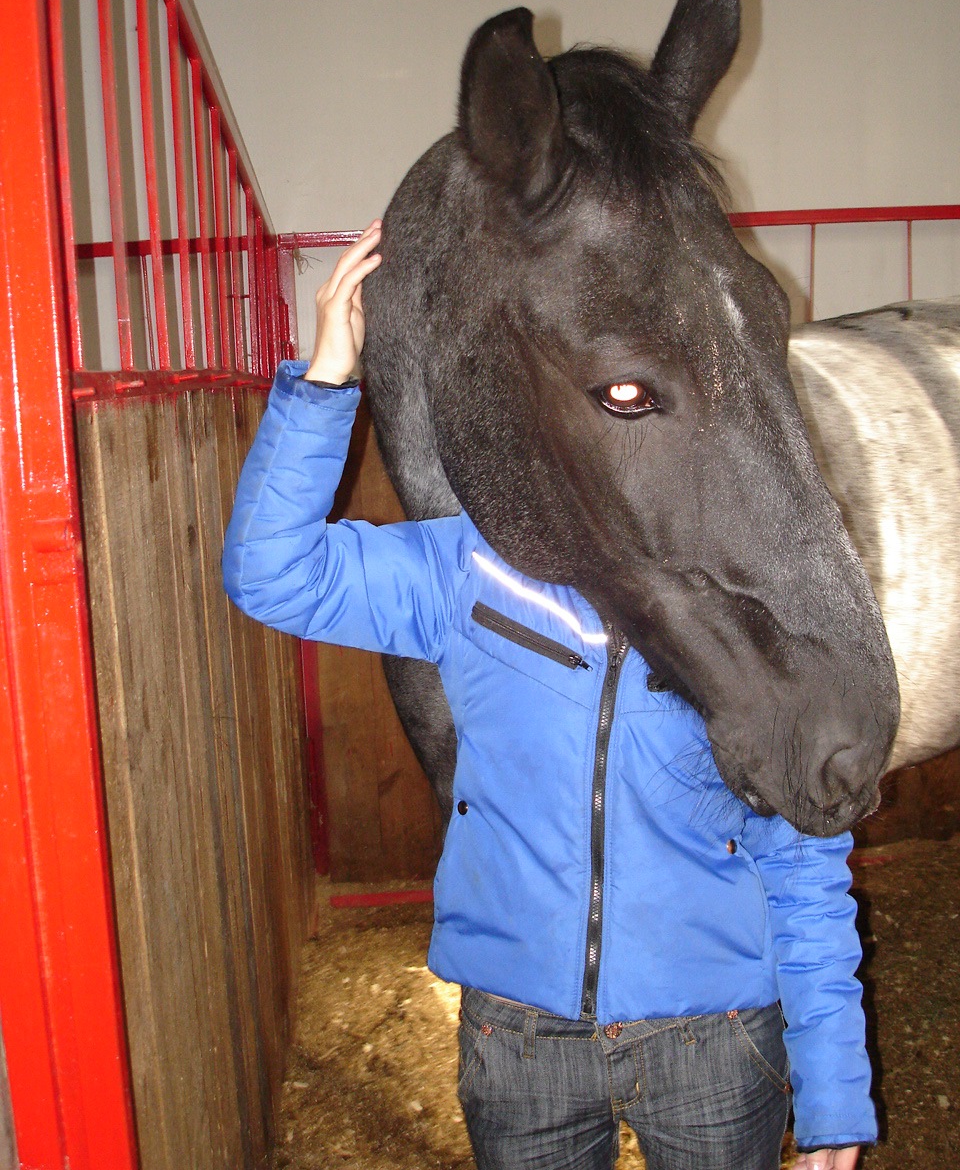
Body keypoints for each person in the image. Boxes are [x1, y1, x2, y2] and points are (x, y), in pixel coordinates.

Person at [223, 223, 874, 1170]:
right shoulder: (470, 571)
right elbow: (272, 574)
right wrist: (326, 380)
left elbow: (807, 863)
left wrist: (834, 1097)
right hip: (519, 1041)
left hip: (715, 1038)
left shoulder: (760, 611)